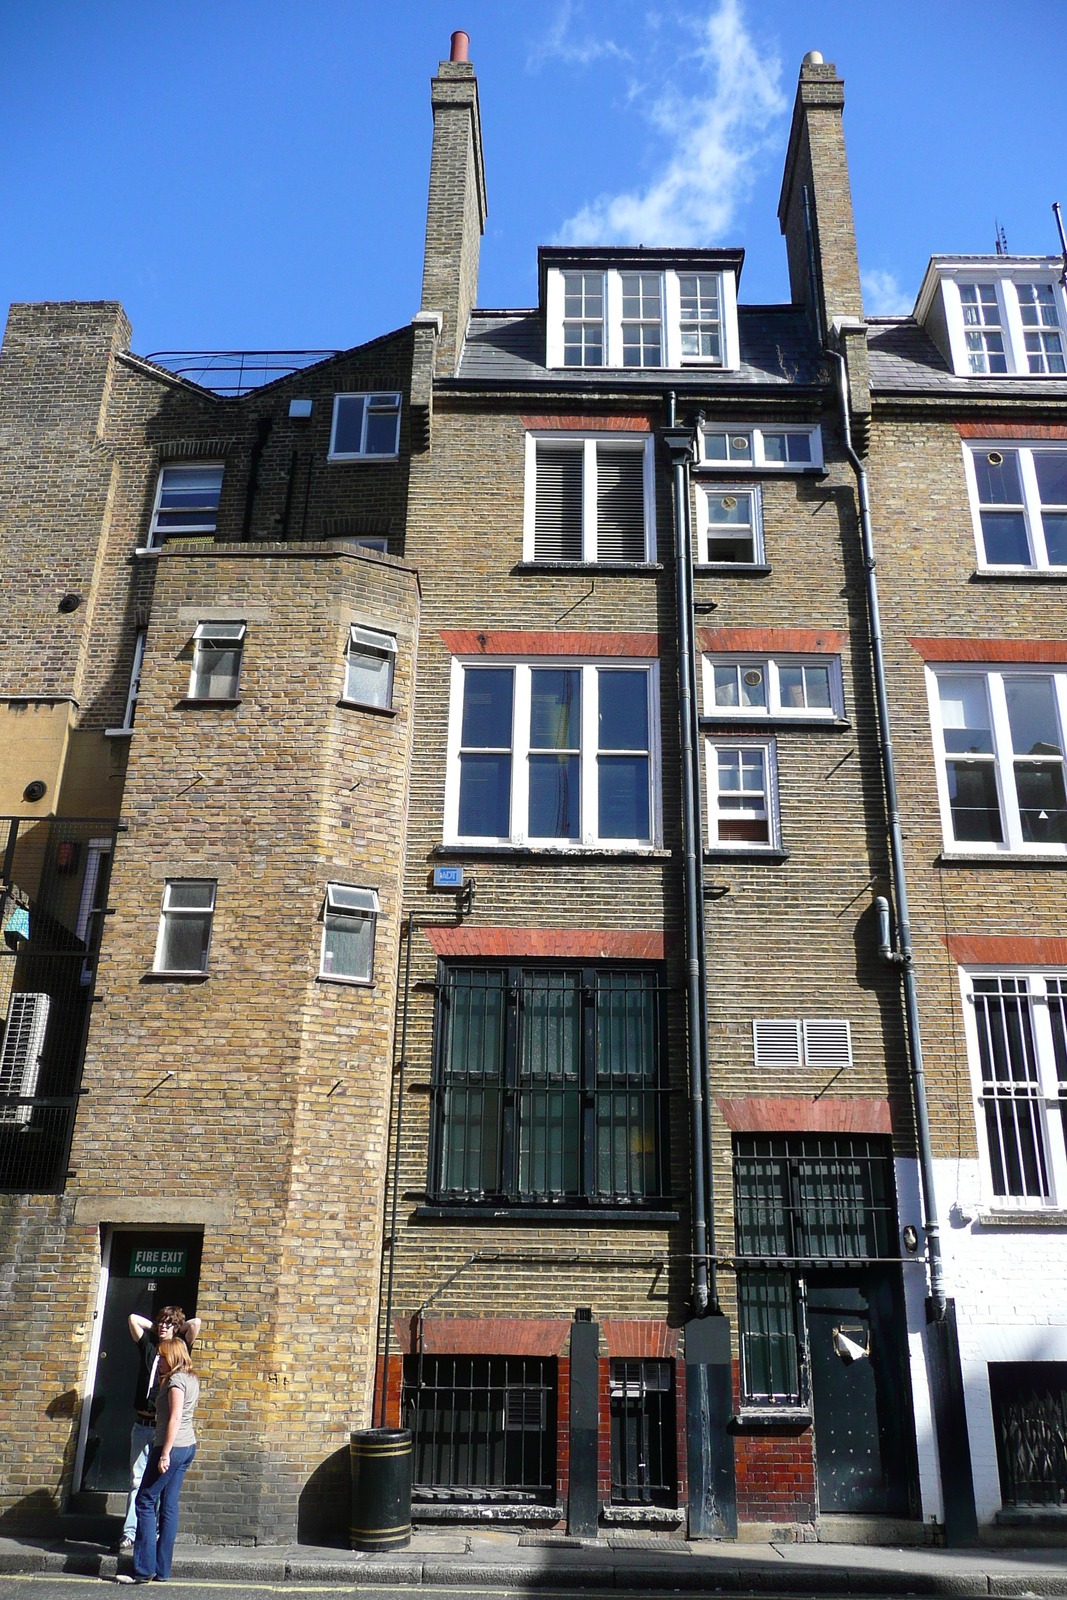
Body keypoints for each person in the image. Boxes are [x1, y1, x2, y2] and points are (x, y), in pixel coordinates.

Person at [118, 1307, 200, 1555]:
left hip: (164, 1429)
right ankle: (130, 1533)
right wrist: (157, 1327)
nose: (163, 1327)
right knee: (137, 1481)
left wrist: (176, 1326)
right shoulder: (149, 1347)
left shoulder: (180, 1349)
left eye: (168, 1324)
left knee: (159, 1485)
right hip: (143, 1425)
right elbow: (132, 1318)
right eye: (160, 1323)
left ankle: (151, 1532)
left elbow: (195, 1324)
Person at [130, 1337, 200, 1584]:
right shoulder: (190, 1377)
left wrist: (165, 1453)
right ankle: (162, 1571)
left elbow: (175, 1417)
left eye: (161, 1356)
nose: (158, 1361)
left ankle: (143, 1569)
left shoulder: (175, 1381)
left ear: (172, 1356)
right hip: (187, 1446)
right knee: (168, 1505)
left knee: (146, 1500)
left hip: (173, 1447)